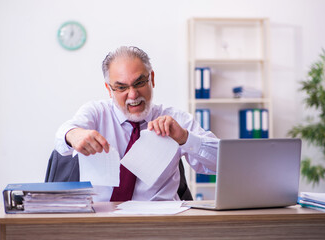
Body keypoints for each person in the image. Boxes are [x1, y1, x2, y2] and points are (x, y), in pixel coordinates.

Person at [55, 46, 219, 202]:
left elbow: (222, 164)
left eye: (139, 83)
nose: (133, 95)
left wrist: (184, 137)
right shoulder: (97, 113)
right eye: (121, 87)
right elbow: (62, 139)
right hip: (103, 220)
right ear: (109, 89)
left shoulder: (175, 118)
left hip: (160, 221)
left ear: (152, 79)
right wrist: (73, 134)